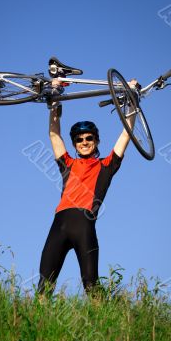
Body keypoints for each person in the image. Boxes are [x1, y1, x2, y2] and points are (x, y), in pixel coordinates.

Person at [37, 79, 138, 297]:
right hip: (59, 225)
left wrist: (132, 101)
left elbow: (126, 134)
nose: (84, 142)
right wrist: (54, 101)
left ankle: (105, 328)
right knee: (44, 285)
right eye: (79, 139)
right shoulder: (68, 164)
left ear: (96, 141)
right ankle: (38, 325)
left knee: (92, 286)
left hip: (84, 225)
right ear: (74, 144)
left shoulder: (106, 166)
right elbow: (54, 134)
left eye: (89, 138)